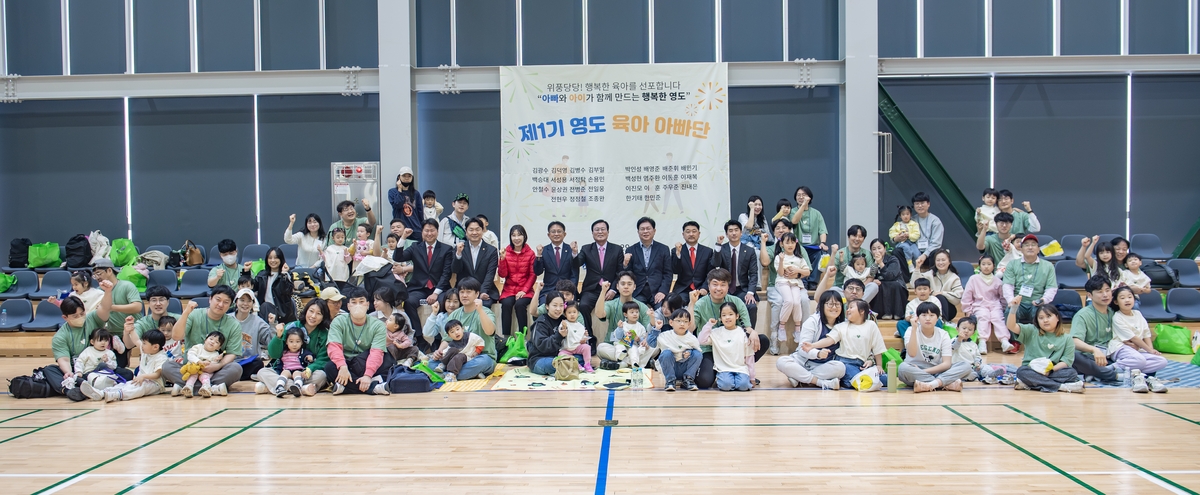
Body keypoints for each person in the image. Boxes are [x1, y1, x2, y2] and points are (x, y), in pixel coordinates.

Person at [688, 268, 767, 389]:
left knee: (762, 340)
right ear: (708, 286)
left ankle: (742, 372)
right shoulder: (700, 303)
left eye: (723, 284)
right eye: (715, 284)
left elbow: (747, 327)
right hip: (709, 348)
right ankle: (722, 374)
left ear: (728, 287)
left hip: (733, 349)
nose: (719, 288)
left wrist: (753, 332)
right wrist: (692, 303)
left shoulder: (736, 302)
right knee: (704, 382)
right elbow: (690, 329)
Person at [164, 286, 243, 397]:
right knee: (167, 366)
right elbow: (176, 336)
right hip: (191, 367)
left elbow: (231, 353)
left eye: (226, 302)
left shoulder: (233, 324)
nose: (220, 304)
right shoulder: (194, 314)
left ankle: (189, 386)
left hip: (213, 371)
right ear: (210, 299)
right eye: (218, 299)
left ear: (230, 305)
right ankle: (212, 388)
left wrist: (218, 366)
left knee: (236, 368)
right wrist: (186, 313)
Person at [44, 283, 116, 400]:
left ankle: (82, 386)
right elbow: (64, 360)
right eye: (75, 316)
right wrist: (69, 373)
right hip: (78, 372)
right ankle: (70, 390)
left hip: (97, 368)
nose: (80, 318)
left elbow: (105, 308)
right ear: (65, 317)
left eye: (82, 314)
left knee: (125, 373)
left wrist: (108, 291)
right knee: (50, 370)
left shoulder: (92, 318)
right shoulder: (60, 337)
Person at [803, 300, 886, 390]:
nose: (848, 310)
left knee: (885, 379)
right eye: (847, 308)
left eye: (851, 307)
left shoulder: (871, 325)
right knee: (859, 379)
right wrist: (813, 345)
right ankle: (843, 380)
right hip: (845, 363)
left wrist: (879, 365)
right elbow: (829, 340)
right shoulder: (841, 326)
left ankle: (846, 380)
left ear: (862, 311)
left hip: (863, 364)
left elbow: (877, 347)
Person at [255, 299, 331, 397]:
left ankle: (276, 386)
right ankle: (301, 388)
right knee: (262, 372)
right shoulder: (291, 326)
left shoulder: (324, 334)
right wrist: (278, 337)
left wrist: (310, 369)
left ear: (323, 317)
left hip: (304, 374)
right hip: (284, 371)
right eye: (311, 311)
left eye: (318, 313)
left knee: (321, 376)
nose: (313, 316)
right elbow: (274, 354)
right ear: (306, 311)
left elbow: (323, 360)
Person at [324, 287, 392, 395]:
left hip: (366, 362)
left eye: (361, 301)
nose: (358, 305)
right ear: (348, 306)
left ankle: (347, 387)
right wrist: (342, 366)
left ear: (367, 305)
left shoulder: (378, 325)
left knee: (387, 360)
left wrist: (368, 375)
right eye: (354, 302)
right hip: (347, 364)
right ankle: (373, 387)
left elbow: (376, 352)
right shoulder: (338, 321)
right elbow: (334, 346)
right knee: (330, 368)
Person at [1007, 298, 1083, 393]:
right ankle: (1061, 387)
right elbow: (1011, 326)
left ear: (1057, 318)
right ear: (1037, 320)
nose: (1045, 320)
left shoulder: (1067, 338)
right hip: (1032, 371)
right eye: (1041, 318)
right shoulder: (1031, 331)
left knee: (1071, 373)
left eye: (1048, 316)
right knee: (1021, 372)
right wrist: (1014, 308)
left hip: (1052, 372)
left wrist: (1049, 371)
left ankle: (1030, 383)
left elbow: (1066, 361)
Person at [777, 290, 847, 390]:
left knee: (840, 368)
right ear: (822, 306)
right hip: (803, 362)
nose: (834, 307)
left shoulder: (844, 324)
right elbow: (802, 349)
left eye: (837, 304)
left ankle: (800, 378)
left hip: (824, 366)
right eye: (830, 304)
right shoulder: (812, 321)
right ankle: (821, 382)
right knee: (782, 361)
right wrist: (818, 354)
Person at [395, 219, 454, 333]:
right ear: (422, 232)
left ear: (437, 231)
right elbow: (398, 257)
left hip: (439, 288)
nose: (429, 233)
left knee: (443, 302)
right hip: (419, 288)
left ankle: (439, 336)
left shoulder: (446, 249)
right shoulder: (415, 247)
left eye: (432, 230)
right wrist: (403, 237)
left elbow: (446, 274)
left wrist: (435, 293)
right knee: (409, 302)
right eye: (426, 230)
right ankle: (418, 335)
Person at [80, 329, 169, 402]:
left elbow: (157, 374)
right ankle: (102, 393)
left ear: (155, 347)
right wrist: (131, 330)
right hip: (141, 380)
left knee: (139, 389)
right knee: (125, 384)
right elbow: (136, 340)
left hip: (155, 384)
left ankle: (116, 395)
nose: (142, 345)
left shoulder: (161, 357)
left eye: (144, 343)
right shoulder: (147, 351)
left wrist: (143, 376)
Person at [899, 302, 969, 393]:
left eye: (932, 315)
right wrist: (914, 328)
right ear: (918, 318)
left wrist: (924, 371)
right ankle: (944, 383)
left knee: (966, 366)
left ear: (937, 318)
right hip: (914, 370)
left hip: (936, 369)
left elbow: (946, 364)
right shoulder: (910, 330)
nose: (928, 318)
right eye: (924, 315)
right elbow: (912, 354)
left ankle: (930, 384)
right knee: (902, 368)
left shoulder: (943, 334)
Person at [761, 219, 807, 354]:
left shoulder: (799, 249)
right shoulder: (772, 249)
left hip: (796, 284)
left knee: (804, 300)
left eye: (784, 227)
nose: (781, 230)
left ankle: (805, 338)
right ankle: (774, 336)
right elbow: (765, 262)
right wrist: (763, 242)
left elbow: (807, 270)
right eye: (778, 228)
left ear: (790, 230)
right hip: (777, 285)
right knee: (780, 301)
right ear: (774, 232)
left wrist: (797, 273)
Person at [1108, 286, 1169, 389]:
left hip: (1137, 349)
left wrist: (1151, 350)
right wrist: (1149, 349)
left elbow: (1146, 333)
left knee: (1162, 361)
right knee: (1140, 360)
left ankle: (1133, 373)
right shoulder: (1117, 317)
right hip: (1121, 347)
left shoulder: (1138, 313)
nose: (1127, 300)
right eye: (1122, 298)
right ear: (1116, 302)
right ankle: (1108, 369)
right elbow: (1133, 338)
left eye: (1129, 297)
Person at [594, 273, 655, 368]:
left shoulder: (642, 307)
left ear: (634, 287)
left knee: (656, 346)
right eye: (623, 284)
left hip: (636, 345)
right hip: (615, 346)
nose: (626, 286)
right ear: (617, 286)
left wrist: (645, 340)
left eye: (629, 284)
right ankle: (637, 362)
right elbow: (599, 314)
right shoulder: (611, 304)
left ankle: (622, 363)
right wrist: (603, 292)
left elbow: (649, 330)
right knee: (601, 348)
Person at [574, 219, 625, 334]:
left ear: (608, 232)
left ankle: (617, 335)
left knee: (620, 307)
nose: (600, 232)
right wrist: (574, 253)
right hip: (591, 289)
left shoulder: (617, 249)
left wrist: (613, 289)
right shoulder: (586, 249)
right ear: (592, 233)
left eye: (603, 229)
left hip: (610, 289)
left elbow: (620, 272)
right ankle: (589, 337)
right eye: (597, 230)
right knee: (583, 306)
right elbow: (577, 264)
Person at [90, 258, 143, 367]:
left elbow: (137, 307)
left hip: (131, 331)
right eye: (95, 275)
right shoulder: (98, 291)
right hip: (110, 335)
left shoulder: (126, 286)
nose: (97, 277)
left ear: (109, 270)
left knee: (121, 365)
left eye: (99, 273)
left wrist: (111, 307)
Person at [443, 278, 499, 379]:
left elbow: (490, 331)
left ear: (477, 294)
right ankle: (458, 373)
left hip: (481, 357)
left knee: (482, 362)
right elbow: (446, 340)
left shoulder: (486, 312)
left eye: (468, 292)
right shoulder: (454, 314)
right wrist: (439, 352)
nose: (464, 295)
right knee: (432, 362)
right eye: (462, 292)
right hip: (457, 358)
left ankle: (447, 373)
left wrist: (480, 310)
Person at [1069, 276, 1120, 383]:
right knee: (1073, 356)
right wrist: (1094, 350)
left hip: (1110, 356)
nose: (1105, 295)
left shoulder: (1115, 313)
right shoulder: (1082, 315)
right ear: (1090, 295)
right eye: (1100, 292)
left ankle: (1096, 373)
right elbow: (1074, 341)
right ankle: (1115, 375)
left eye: (1107, 290)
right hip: (1089, 356)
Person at [961, 255, 1013, 354]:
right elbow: (967, 295)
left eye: (989, 264)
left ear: (994, 266)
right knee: (983, 317)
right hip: (979, 305)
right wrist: (967, 309)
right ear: (979, 266)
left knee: (998, 318)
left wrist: (1003, 308)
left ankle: (1004, 341)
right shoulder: (973, 279)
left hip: (995, 305)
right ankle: (982, 342)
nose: (986, 266)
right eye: (983, 264)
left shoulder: (998, 281)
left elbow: (1002, 297)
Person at [699, 303, 755, 391]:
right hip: (723, 369)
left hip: (741, 368)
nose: (727, 317)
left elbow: (749, 357)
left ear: (737, 316)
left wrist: (752, 377)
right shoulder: (716, 332)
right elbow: (701, 340)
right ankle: (726, 381)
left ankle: (736, 382)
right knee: (726, 385)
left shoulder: (743, 333)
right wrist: (709, 325)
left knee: (743, 386)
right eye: (724, 315)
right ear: (720, 318)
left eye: (730, 314)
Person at [713, 220, 759, 327]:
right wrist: (718, 245)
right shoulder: (721, 249)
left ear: (741, 232)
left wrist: (750, 292)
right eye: (730, 231)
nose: (733, 233)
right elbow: (715, 264)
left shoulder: (749, 251)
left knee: (752, 306)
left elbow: (753, 274)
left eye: (736, 230)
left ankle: (749, 332)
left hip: (742, 289)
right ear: (726, 234)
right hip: (725, 289)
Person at [1002, 235, 1057, 324]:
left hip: (1037, 303)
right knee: (1010, 312)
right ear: (1021, 249)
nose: (1030, 247)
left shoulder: (1048, 266)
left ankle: (1038, 334)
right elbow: (1007, 285)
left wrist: (1043, 300)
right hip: (1018, 302)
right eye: (1026, 245)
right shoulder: (1012, 264)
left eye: (1033, 244)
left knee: (1043, 313)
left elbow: (1051, 288)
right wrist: (1011, 301)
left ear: (1038, 249)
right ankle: (1012, 334)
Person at [124, 286, 184, 363]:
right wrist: (126, 332)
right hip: (151, 363)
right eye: (154, 300)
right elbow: (129, 345)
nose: (158, 304)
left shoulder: (179, 320)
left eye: (161, 300)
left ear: (168, 302)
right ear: (148, 303)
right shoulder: (143, 323)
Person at [773, 232, 810, 355]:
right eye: (787, 242)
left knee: (797, 302)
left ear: (796, 244)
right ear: (781, 244)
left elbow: (807, 272)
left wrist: (797, 270)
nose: (790, 245)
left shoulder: (799, 258)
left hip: (796, 283)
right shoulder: (779, 257)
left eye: (792, 242)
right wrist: (782, 261)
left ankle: (797, 329)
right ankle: (781, 326)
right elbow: (780, 273)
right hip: (782, 282)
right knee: (788, 301)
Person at [498, 224, 536, 337]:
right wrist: (502, 259)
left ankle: (522, 337)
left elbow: (533, 275)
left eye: (519, 235)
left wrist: (524, 290)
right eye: (513, 235)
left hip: (526, 290)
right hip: (509, 289)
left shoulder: (530, 253)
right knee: (506, 304)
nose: (516, 238)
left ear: (524, 236)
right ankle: (506, 337)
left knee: (520, 305)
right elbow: (502, 274)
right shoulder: (506, 252)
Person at [625, 217, 673, 308]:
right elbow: (627, 274)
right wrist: (625, 264)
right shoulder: (631, 250)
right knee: (635, 310)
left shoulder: (663, 249)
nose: (645, 231)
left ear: (654, 231)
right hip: (638, 292)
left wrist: (662, 291)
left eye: (648, 228)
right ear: (638, 232)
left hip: (657, 291)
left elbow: (668, 273)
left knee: (662, 310)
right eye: (642, 229)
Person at [452, 218, 500, 305]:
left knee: (484, 304)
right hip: (464, 290)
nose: (474, 233)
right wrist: (458, 254)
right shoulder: (460, 248)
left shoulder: (491, 251)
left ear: (482, 231)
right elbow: (456, 270)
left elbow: (490, 275)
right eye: (471, 230)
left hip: (485, 290)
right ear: (466, 232)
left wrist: (482, 292)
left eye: (477, 229)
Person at [909, 248, 962, 321]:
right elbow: (914, 284)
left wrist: (942, 293)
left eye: (943, 260)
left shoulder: (954, 278)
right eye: (938, 260)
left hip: (947, 309)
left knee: (940, 297)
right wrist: (917, 268)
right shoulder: (930, 274)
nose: (940, 262)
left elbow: (957, 298)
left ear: (949, 261)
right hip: (930, 307)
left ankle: (941, 322)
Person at [657, 309, 702, 391]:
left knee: (697, 354)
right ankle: (670, 381)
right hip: (671, 368)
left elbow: (697, 353)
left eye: (685, 321)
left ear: (689, 324)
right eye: (679, 321)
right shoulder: (665, 335)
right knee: (666, 353)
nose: (682, 324)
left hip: (685, 368)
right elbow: (652, 344)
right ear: (671, 322)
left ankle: (688, 379)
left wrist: (690, 352)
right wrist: (656, 329)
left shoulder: (692, 338)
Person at [830, 225, 878, 303]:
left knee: (874, 286)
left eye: (860, 236)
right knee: (833, 290)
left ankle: (856, 305)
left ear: (863, 239)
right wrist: (833, 253)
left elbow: (871, 275)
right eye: (854, 236)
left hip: (861, 289)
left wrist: (859, 288)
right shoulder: (840, 253)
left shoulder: (867, 254)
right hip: (842, 288)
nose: (857, 239)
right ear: (848, 237)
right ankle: (856, 305)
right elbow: (830, 272)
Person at [232, 288, 272, 380]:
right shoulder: (227, 319)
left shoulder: (258, 322)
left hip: (249, 362)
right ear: (236, 301)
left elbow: (270, 342)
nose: (245, 304)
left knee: (259, 364)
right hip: (230, 362)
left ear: (253, 304)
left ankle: (236, 376)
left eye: (249, 301)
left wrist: (273, 325)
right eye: (242, 300)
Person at [789, 186, 829, 279]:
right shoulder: (792, 211)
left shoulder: (816, 213)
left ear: (809, 197)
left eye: (803, 195)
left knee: (820, 254)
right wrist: (803, 205)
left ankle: (813, 282)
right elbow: (794, 221)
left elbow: (822, 230)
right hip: (797, 246)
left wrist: (823, 243)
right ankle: (802, 280)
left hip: (813, 246)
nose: (801, 197)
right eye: (798, 195)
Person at [533, 221, 578, 304]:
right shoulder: (544, 250)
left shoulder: (570, 250)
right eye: (553, 232)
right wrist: (539, 255)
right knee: (543, 307)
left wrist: (571, 289)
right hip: (549, 290)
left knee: (571, 308)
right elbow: (538, 272)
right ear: (548, 235)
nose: (556, 234)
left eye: (559, 231)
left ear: (564, 234)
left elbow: (574, 273)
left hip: (567, 290)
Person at [248, 247, 295, 323]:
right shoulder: (262, 275)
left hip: (281, 312)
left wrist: (283, 274)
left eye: (276, 258)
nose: (272, 260)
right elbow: (250, 287)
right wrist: (245, 272)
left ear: (281, 259)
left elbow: (286, 291)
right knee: (265, 306)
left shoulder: (287, 274)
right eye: (270, 258)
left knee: (266, 305)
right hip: (265, 311)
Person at [264, 328, 314, 397]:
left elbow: (310, 356)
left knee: (297, 373)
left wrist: (310, 357)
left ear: (302, 342)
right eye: (291, 341)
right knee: (284, 372)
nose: (294, 344)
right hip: (286, 371)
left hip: (298, 371)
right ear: (286, 342)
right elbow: (275, 356)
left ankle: (297, 386)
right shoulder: (283, 352)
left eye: (297, 341)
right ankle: (279, 387)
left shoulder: (303, 352)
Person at [671, 221, 715, 299]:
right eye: (688, 232)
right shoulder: (676, 250)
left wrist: (705, 287)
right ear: (683, 234)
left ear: (699, 234)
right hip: (683, 290)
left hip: (701, 289)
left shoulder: (708, 251)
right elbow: (675, 271)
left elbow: (710, 273)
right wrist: (678, 254)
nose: (691, 234)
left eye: (694, 231)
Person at [868, 239, 907, 320]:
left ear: (885, 248)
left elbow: (890, 276)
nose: (877, 251)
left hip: (896, 287)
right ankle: (882, 313)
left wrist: (880, 263)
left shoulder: (893, 259)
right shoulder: (870, 261)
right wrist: (872, 280)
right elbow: (868, 275)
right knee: (877, 286)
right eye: (874, 249)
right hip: (881, 288)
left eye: (879, 248)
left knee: (893, 285)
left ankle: (898, 313)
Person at [180, 332, 226, 398]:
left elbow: (213, 366)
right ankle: (188, 387)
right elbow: (190, 355)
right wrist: (199, 361)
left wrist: (216, 360)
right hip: (193, 369)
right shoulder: (198, 347)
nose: (212, 342)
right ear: (205, 340)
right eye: (211, 339)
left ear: (218, 347)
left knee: (205, 377)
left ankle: (206, 387)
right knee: (192, 375)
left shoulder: (215, 354)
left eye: (217, 342)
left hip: (205, 371)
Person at [558, 303, 594, 372]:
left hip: (577, 347)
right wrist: (564, 327)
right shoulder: (564, 323)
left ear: (578, 313)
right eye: (569, 312)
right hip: (566, 348)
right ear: (565, 314)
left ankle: (587, 364)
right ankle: (577, 365)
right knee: (561, 355)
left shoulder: (580, 326)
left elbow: (583, 337)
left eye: (574, 312)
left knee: (587, 347)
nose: (572, 314)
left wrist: (584, 340)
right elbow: (561, 331)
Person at [911, 192, 944, 263]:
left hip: (930, 252)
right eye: (917, 204)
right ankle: (909, 270)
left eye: (922, 203)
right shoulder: (911, 220)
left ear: (928, 204)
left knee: (935, 252)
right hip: (915, 251)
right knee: (898, 251)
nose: (920, 206)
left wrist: (925, 254)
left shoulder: (935, 221)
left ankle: (932, 270)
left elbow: (936, 243)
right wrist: (895, 239)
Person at [387, 167, 424, 231]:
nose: (407, 178)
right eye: (404, 176)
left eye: (409, 176)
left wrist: (422, 227)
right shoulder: (392, 192)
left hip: (415, 228)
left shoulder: (416, 193)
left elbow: (420, 212)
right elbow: (398, 204)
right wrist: (400, 190)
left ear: (412, 178)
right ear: (399, 177)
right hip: (400, 229)